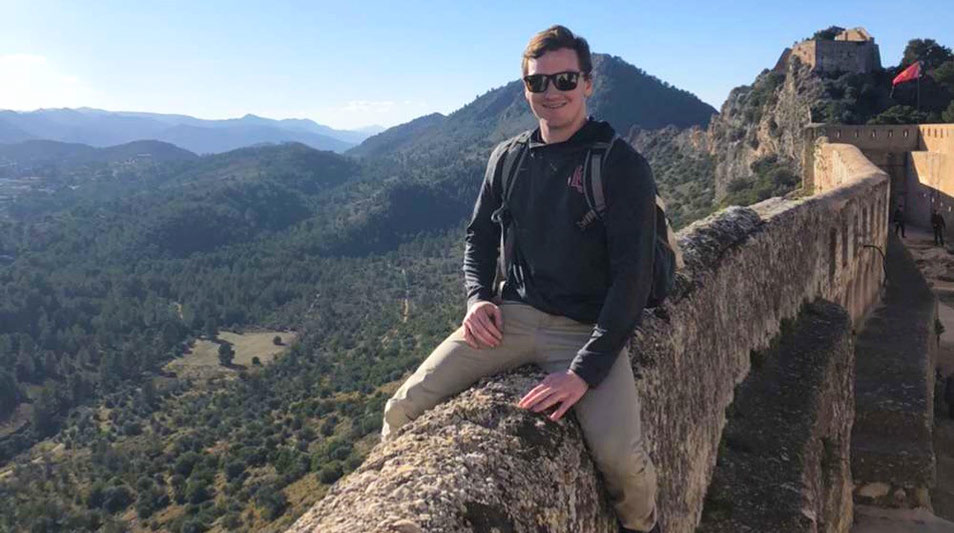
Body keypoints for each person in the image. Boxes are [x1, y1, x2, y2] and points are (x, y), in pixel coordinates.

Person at [381, 25, 660, 533]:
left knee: (623, 463)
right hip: (513, 316)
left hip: (587, 328)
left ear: (589, 83)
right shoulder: (508, 159)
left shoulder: (620, 165)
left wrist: (583, 373)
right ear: (525, 89)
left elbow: (632, 280)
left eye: (565, 79)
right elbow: (478, 239)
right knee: (403, 408)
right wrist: (476, 299)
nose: (552, 93)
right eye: (539, 83)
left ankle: (645, 528)